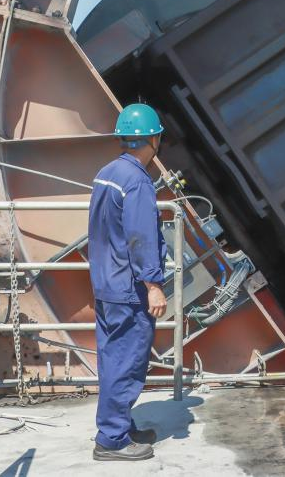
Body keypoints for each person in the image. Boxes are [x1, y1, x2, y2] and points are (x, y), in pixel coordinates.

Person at [87, 102, 169, 462]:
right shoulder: (137, 181)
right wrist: (153, 285)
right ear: (153, 139)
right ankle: (112, 439)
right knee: (128, 362)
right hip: (128, 288)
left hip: (107, 283)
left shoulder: (107, 173)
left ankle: (119, 424)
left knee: (113, 359)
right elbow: (140, 236)